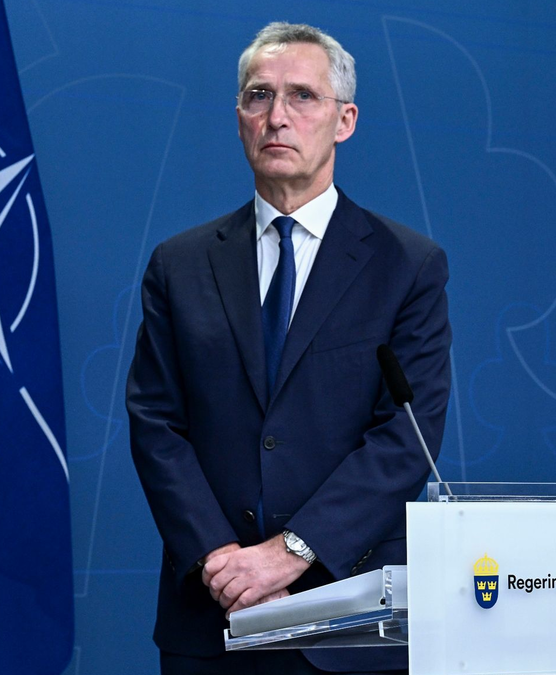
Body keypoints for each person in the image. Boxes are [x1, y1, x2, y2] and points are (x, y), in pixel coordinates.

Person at [126, 22, 451, 675]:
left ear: (345, 120)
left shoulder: (408, 265)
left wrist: (293, 549)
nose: (278, 116)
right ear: (239, 118)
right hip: (210, 615)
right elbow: (156, 425)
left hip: (352, 618)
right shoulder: (179, 265)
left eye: (302, 96)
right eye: (258, 96)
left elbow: (405, 438)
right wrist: (224, 558)